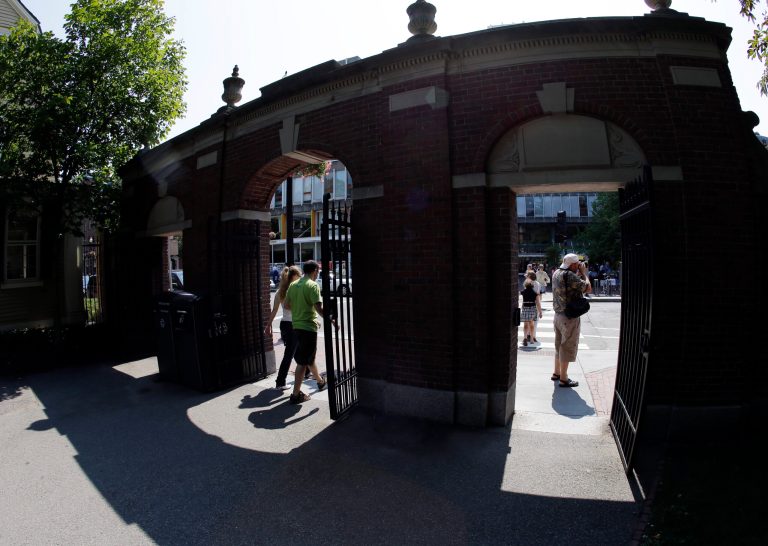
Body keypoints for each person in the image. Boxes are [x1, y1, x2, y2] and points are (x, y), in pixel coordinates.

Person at [283, 260, 333, 404]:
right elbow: (318, 309)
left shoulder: (293, 285)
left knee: (308, 357)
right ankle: (295, 395)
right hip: (308, 328)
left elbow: (286, 305)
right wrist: (331, 320)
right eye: (318, 271)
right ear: (315, 271)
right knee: (303, 362)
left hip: (296, 326)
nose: (318, 274)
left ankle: (320, 382)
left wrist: (299, 311)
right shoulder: (312, 285)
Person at [551, 253, 592, 387]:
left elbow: (571, 287)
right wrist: (584, 273)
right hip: (569, 317)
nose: (579, 266)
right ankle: (564, 378)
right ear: (573, 264)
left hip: (557, 315)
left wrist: (578, 273)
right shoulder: (570, 275)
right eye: (577, 264)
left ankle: (556, 373)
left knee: (559, 345)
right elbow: (588, 288)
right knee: (567, 346)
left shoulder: (557, 272)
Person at [264, 265, 302, 390]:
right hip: (294, 325)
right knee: (289, 354)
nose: (299, 279)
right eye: (298, 277)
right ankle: (280, 382)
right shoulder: (294, 290)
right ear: (292, 278)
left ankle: (305, 372)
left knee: (296, 350)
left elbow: (274, 310)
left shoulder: (280, 292)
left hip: (284, 325)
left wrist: (268, 325)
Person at [520, 277, 542, 346]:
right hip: (532, 308)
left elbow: (522, 302)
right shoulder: (535, 293)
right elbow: (538, 303)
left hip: (525, 308)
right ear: (532, 285)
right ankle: (532, 339)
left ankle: (525, 337)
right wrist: (540, 312)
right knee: (531, 324)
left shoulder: (523, 292)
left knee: (525, 325)